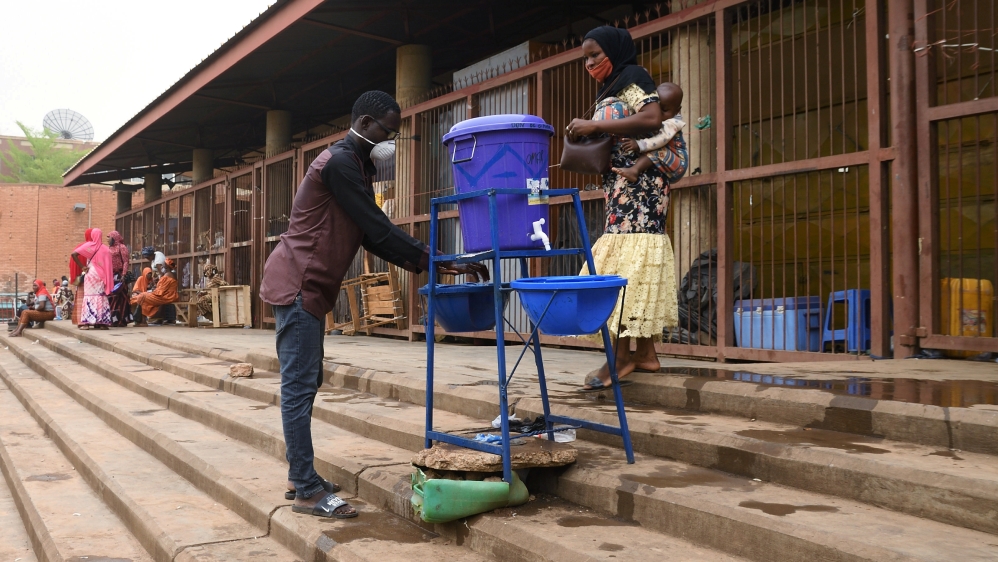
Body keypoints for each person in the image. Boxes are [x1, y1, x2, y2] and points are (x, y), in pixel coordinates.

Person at [259, 91, 488, 519]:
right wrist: (434, 259)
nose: (390, 140)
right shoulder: (340, 162)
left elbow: (368, 235)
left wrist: (429, 261)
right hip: (298, 282)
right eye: (387, 131)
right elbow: (377, 227)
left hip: (309, 285)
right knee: (298, 385)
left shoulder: (357, 165)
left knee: (307, 380)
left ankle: (299, 475)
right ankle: (307, 490)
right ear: (364, 123)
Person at [567, 26, 680, 391]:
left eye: (595, 54)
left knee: (623, 266)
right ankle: (646, 354)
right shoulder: (612, 86)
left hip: (641, 190)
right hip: (619, 189)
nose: (589, 63)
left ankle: (619, 358)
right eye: (585, 57)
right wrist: (584, 131)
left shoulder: (634, 78)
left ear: (614, 51)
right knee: (634, 265)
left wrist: (596, 123)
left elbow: (650, 119)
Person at [612, 82, 689, 185]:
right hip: (666, 161)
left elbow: (660, 140)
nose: (659, 113)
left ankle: (634, 170)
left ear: (677, 111)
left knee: (657, 150)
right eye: (657, 107)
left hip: (678, 165)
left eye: (665, 110)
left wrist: (639, 144)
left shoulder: (673, 123)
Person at [72, 228, 114, 330]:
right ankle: (102, 323)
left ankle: (86, 323)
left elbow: (74, 254)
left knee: (89, 297)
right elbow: (109, 266)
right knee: (101, 297)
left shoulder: (88, 246)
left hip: (90, 275)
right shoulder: (106, 249)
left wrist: (82, 266)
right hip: (101, 276)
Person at [133, 260, 178, 327]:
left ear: (166, 267)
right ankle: (142, 320)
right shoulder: (166, 275)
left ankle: (143, 321)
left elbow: (161, 290)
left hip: (167, 296)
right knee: (142, 296)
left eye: (163, 265)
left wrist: (153, 291)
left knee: (142, 296)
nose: (162, 266)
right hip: (164, 294)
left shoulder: (168, 275)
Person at [107, 230, 133, 327]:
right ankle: (113, 319)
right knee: (112, 297)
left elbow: (126, 261)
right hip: (111, 275)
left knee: (121, 298)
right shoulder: (109, 248)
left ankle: (122, 319)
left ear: (114, 238)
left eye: (109, 237)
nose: (108, 240)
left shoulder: (122, 247)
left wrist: (123, 274)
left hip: (119, 275)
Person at [70, 228, 93, 325]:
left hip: (80, 278)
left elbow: (72, 263)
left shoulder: (79, 247)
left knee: (80, 299)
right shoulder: (92, 247)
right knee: (91, 299)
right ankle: (90, 320)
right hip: (92, 278)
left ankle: (81, 321)